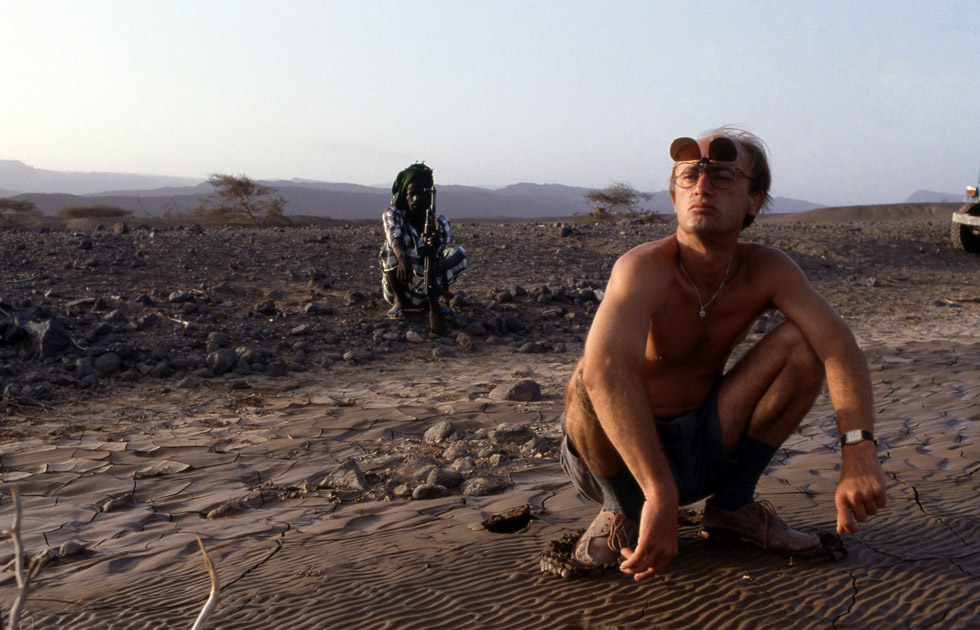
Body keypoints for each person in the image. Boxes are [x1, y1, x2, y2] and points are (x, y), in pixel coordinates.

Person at [559, 127, 887, 581]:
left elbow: (839, 345)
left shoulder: (767, 269)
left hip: (706, 444)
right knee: (588, 373)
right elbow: (605, 372)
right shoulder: (643, 268)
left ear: (755, 201)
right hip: (620, 457)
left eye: (722, 176)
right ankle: (621, 512)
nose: (702, 186)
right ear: (674, 195)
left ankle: (732, 507)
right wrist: (659, 493)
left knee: (803, 342)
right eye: (689, 175)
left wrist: (859, 450)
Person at [379, 163, 467, 319]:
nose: (416, 199)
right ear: (404, 196)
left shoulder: (441, 222)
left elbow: (433, 261)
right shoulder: (394, 214)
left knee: (458, 254)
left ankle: (432, 302)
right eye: (411, 194)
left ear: (428, 196)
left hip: (425, 284)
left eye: (421, 194)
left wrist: (434, 246)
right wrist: (402, 258)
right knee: (389, 247)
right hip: (400, 285)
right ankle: (399, 302)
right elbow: (393, 235)